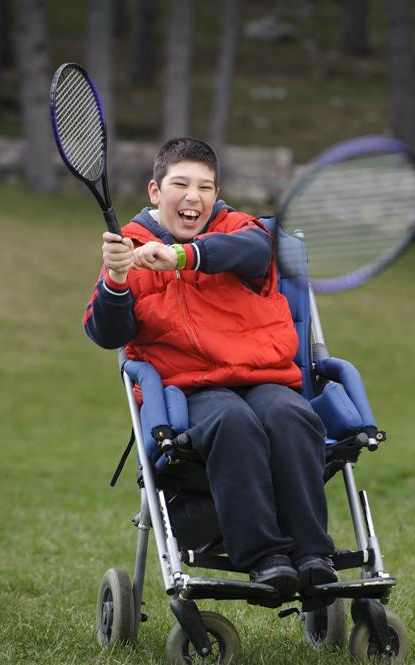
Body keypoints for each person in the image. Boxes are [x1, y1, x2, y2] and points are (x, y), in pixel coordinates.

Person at [84, 137, 337, 597]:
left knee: (292, 415)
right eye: (181, 184)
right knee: (232, 421)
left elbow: (256, 252)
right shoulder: (130, 249)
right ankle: (266, 557)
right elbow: (105, 334)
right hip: (193, 390)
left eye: (206, 187)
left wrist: (182, 257)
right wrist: (118, 279)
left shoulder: (240, 229)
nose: (194, 197)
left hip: (266, 379)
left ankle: (313, 554)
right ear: (156, 192)